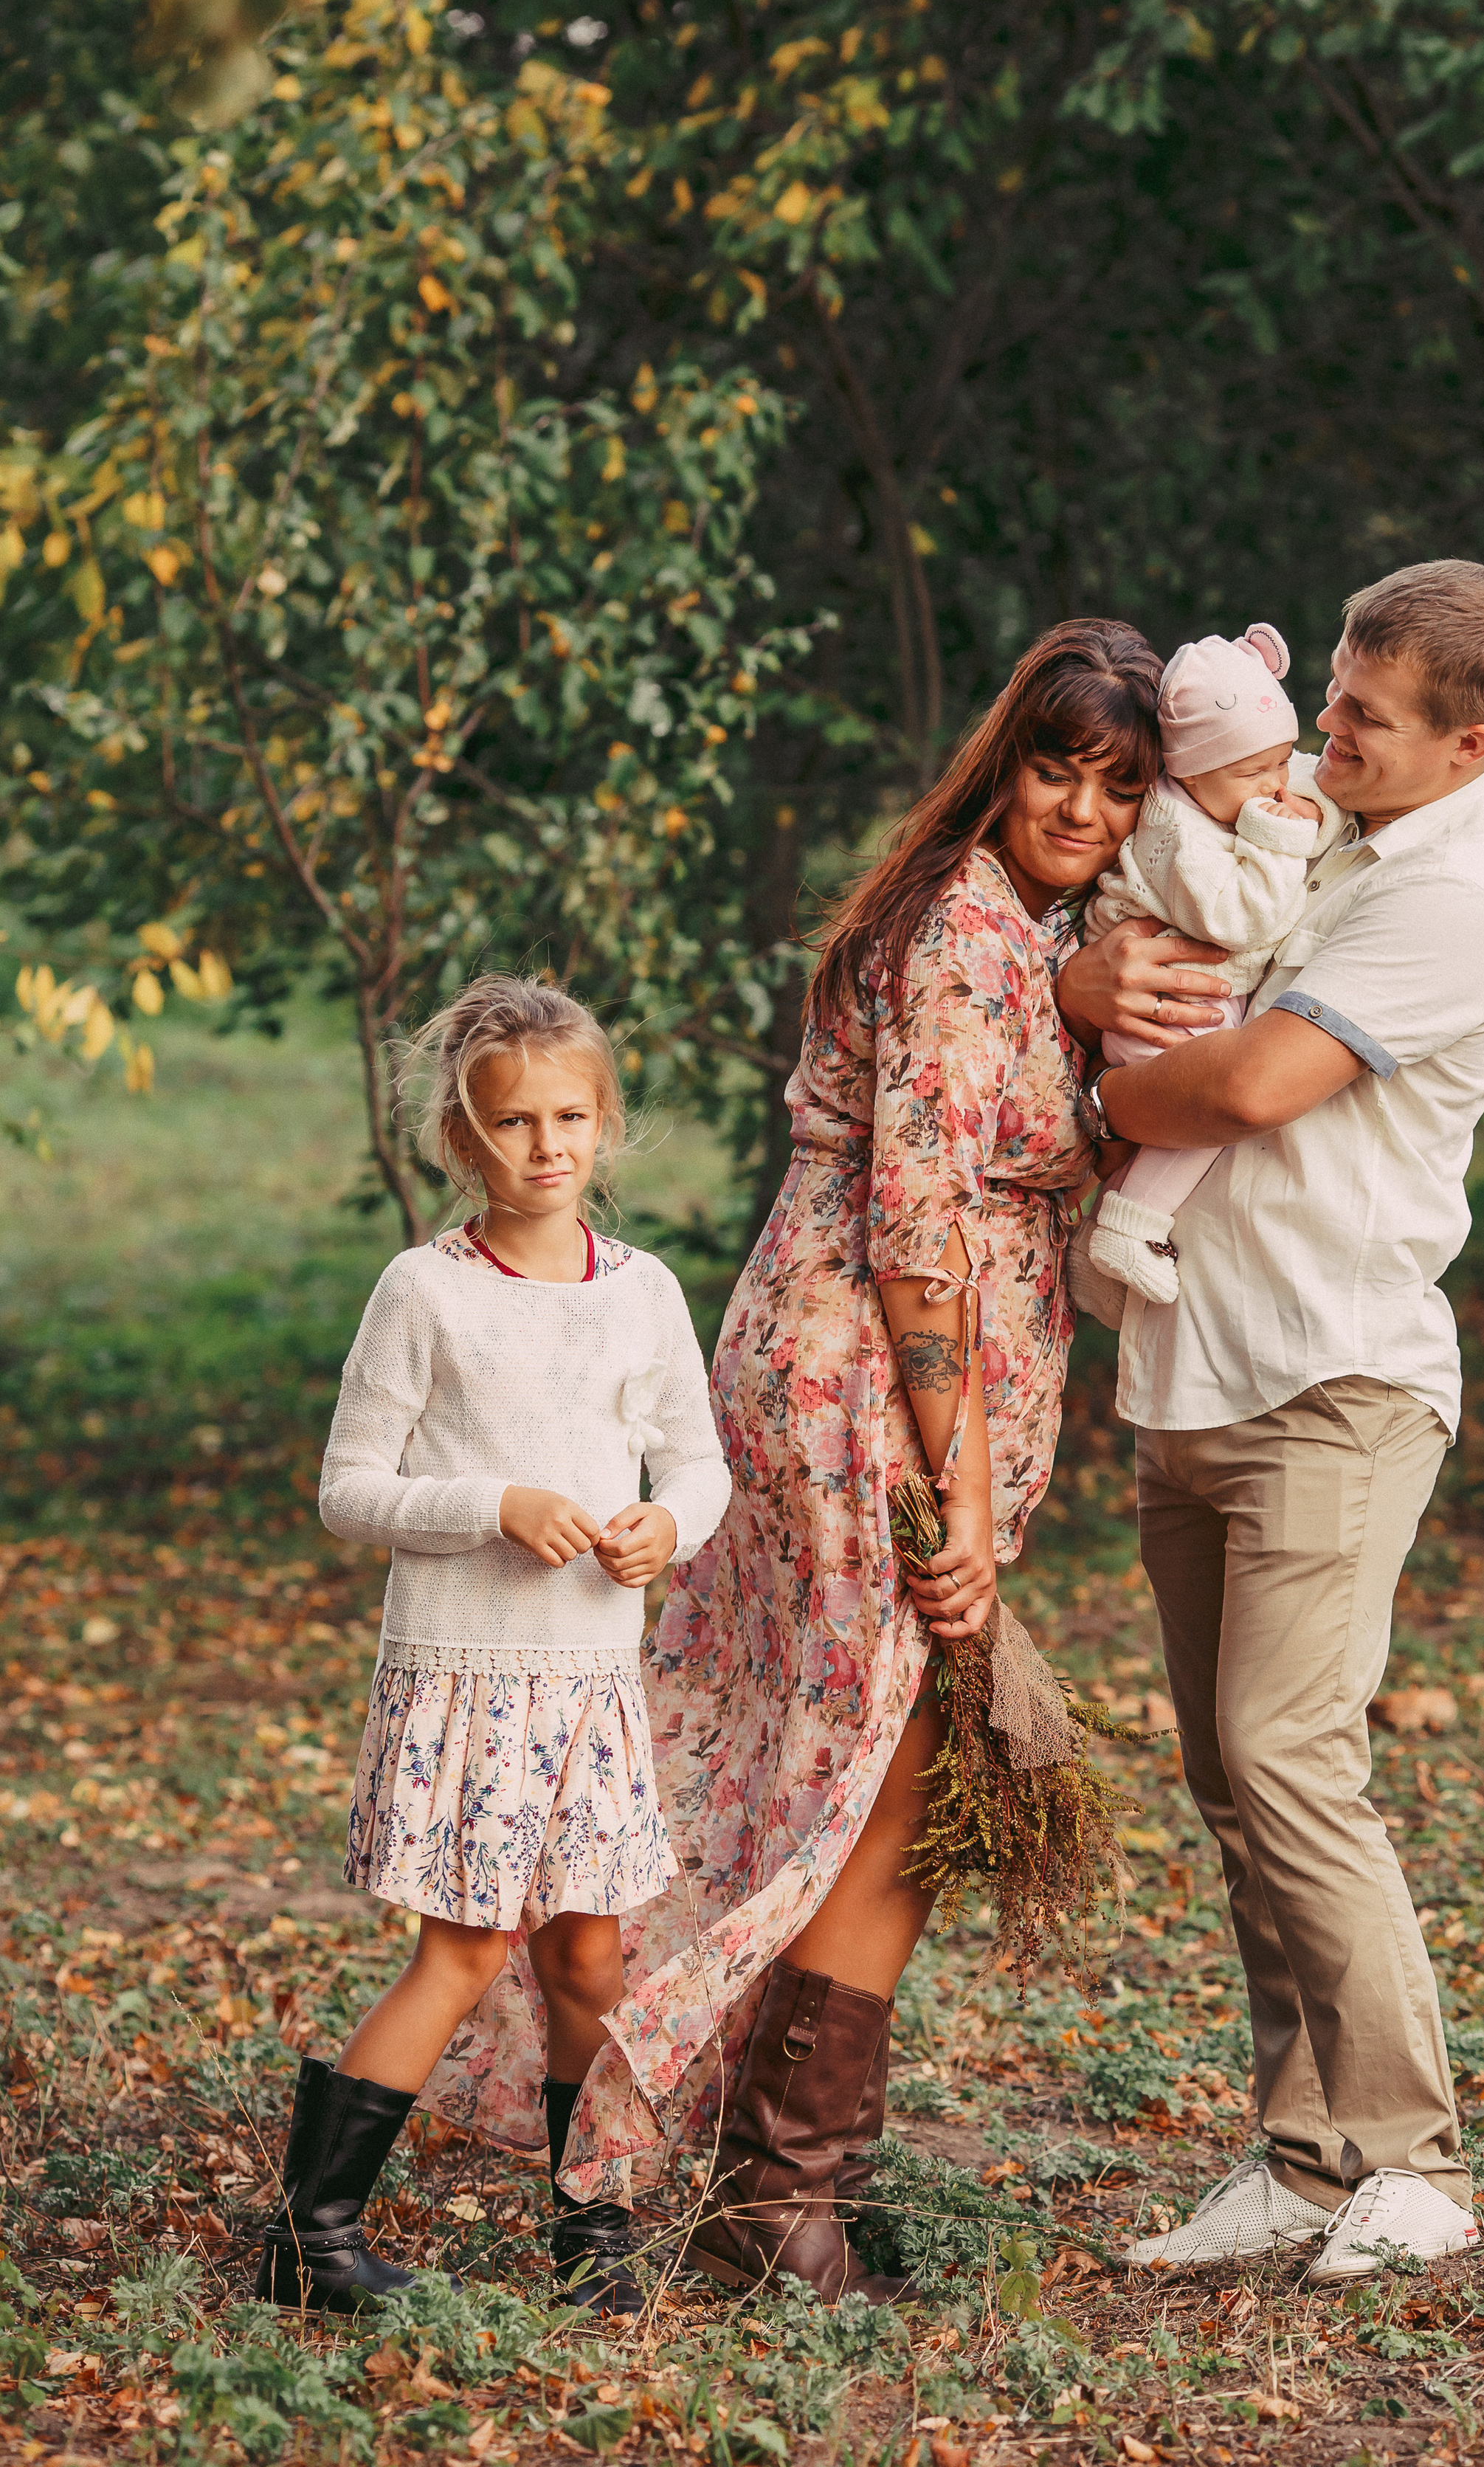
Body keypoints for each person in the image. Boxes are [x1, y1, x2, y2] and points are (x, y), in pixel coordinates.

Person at [511, 618, 1162, 2302]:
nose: (1080, 806)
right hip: (869, 1373)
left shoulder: (1023, 923)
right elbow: (916, 1218)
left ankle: (772, 2189)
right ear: (1000, 757)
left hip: (885, 1370)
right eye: (1054, 765)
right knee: (878, 1770)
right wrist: (948, 1481)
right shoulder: (959, 920)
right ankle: (759, 2199)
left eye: (1117, 782)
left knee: (845, 1762)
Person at [1058, 560, 1484, 2284]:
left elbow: (1255, 1077)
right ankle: (1300, 2149)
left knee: (1286, 1758)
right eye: (1329, 689)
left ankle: (1410, 2156)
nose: (1323, 727)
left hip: (1331, 1381)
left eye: (1361, 715)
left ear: (1464, 743)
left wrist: (1080, 1086)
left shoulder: (1451, 893)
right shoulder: (1334, 823)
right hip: (1202, 1360)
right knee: (1228, 1774)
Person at [253, 975, 729, 2316]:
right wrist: (492, 1508)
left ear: (607, 1123)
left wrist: (667, 1526)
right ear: (466, 1140)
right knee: (460, 1953)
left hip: (590, 1684)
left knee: (590, 1958)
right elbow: (350, 1490)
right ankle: (314, 2231)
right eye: (514, 1124)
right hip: (467, 1677)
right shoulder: (424, 1292)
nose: (547, 1147)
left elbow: (699, 1460)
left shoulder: (643, 1294)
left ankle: (592, 2232)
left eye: (572, 1116)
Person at [1074, 623, 1338, 1310]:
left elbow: (1306, 781)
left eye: (1280, 763)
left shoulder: (1234, 777)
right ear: (1189, 771)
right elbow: (1245, 919)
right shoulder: (1175, 831)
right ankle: (1128, 1227)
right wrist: (1284, 834)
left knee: (1186, 1129)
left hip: (1192, 1002)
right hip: (1159, 1012)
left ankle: (1100, 1240)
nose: (1275, 785)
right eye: (1257, 775)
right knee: (1207, 1114)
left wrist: (1304, 802)